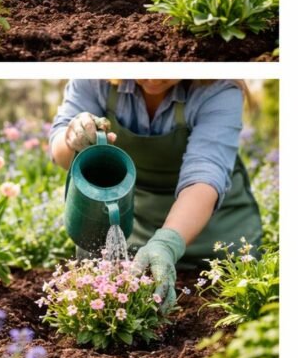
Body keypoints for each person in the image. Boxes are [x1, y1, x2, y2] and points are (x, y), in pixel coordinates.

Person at [50, 79, 262, 312]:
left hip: (216, 238)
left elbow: (205, 174)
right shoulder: (94, 81)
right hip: (138, 229)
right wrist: (72, 139)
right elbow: (62, 155)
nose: (154, 78)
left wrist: (167, 244)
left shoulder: (218, 89)